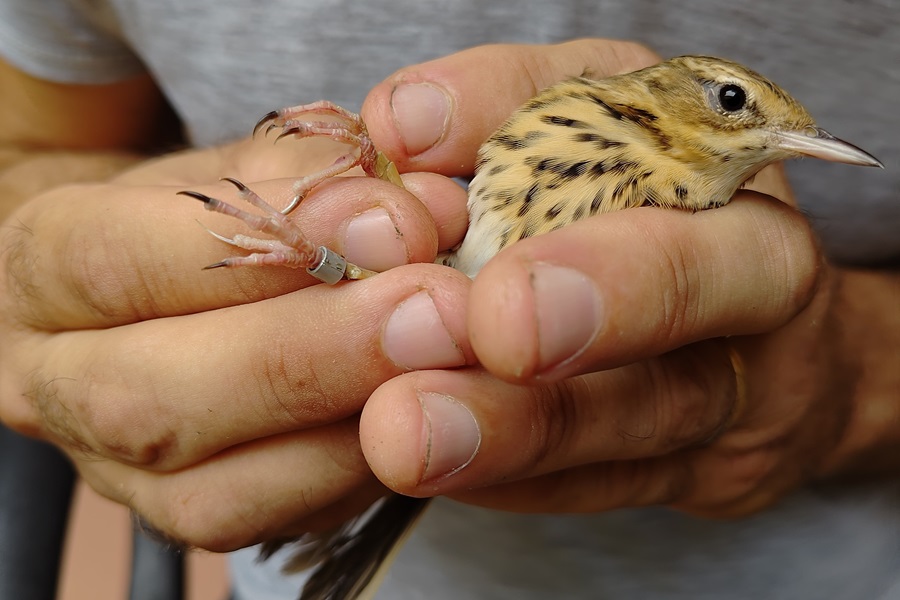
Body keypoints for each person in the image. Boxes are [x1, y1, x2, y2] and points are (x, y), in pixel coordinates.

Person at [1, 1, 898, 599]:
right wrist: (48, 296)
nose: (766, 136)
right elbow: (25, 149)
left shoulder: (690, 204)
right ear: (661, 93)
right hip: (376, 460)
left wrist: (847, 377)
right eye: (735, 103)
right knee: (416, 286)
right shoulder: (575, 117)